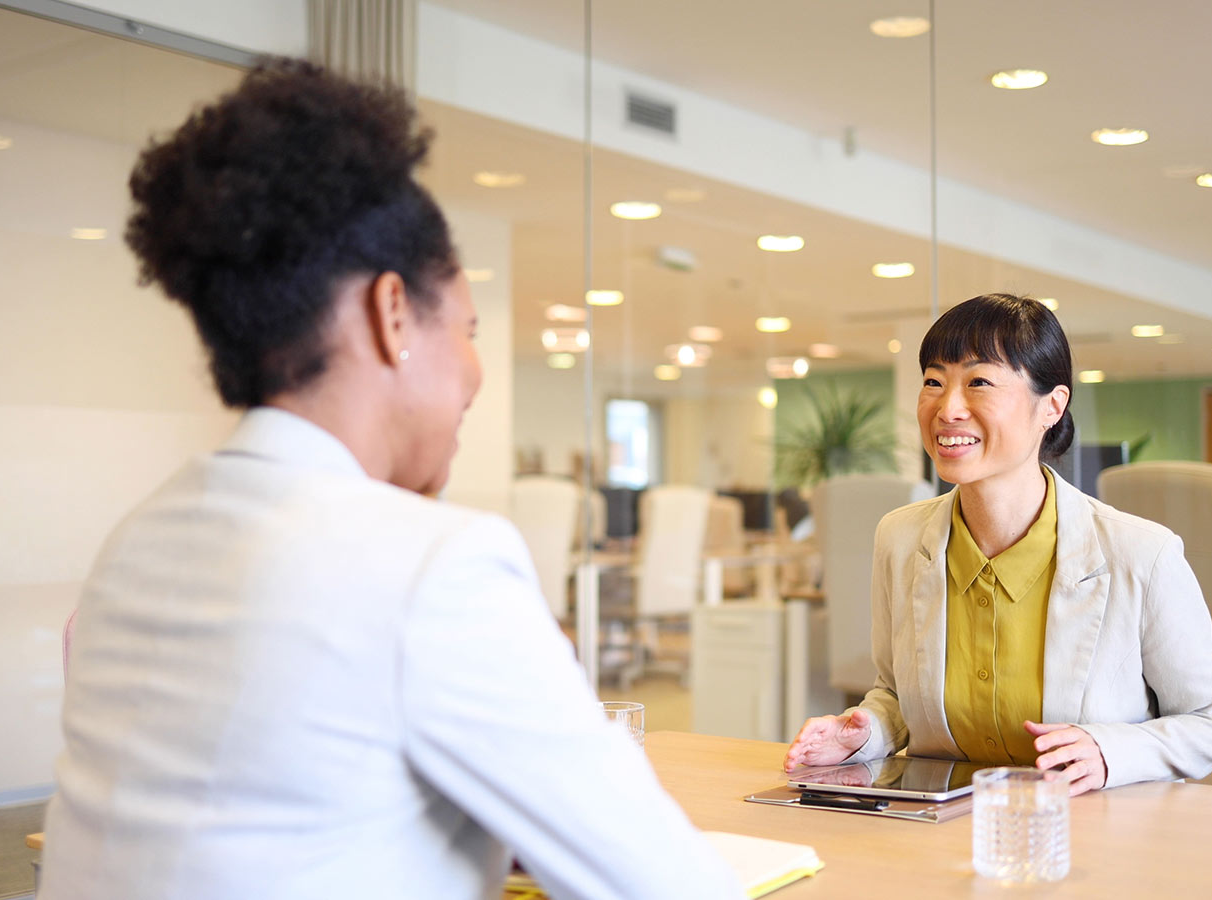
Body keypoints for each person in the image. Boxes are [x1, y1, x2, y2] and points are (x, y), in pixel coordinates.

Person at [39, 59, 743, 899]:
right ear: (393, 312)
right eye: (470, 328)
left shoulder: (138, 540)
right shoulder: (434, 565)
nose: (476, 372)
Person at [784, 293, 1212, 796]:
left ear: (1052, 405)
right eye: (933, 382)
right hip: (941, 835)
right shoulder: (899, 538)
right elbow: (895, 695)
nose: (947, 408)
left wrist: (1111, 752)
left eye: (979, 382)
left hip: (1096, 838)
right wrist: (862, 734)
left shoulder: (1141, 553)